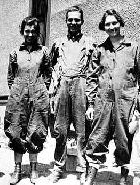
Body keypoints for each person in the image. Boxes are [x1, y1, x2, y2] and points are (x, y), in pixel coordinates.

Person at [84, 9, 140, 185]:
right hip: (103, 102)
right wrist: (91, 104)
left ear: (120, 24)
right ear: (103, 27)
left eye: (114, 23)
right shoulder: (99, 50)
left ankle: (123, 178)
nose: (111, 26)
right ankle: (90, 177)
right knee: (97, 138)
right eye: (108, 24)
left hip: (127, 102)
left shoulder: (133, 48)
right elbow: (91, 78)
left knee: (125, 140)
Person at [48, 5, 97, 184]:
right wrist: (52, 92)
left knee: (82, 132)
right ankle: (58, 168)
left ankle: (83, 168)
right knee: (60, 131)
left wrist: (91, 100)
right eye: (70, 19)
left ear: (82, 21)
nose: (73, 22)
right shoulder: (58, 43)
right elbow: (51, 67)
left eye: (77, 19)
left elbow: (95, 72)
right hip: (62, 86)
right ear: (66, 21)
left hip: (81, 85)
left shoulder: (90, 43)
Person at [4, 16, 51, 185]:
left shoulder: (44, 51)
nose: (30, 34)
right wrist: (19, 91)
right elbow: (10, 77)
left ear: (38, 32)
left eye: (33, 31)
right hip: (18, 97)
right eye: (27, 31)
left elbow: (48, 74)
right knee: (16, 131)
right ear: (22, 32)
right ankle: (17, 169)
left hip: (38, 96)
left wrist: (40, 90)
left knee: (36, 131)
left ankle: (33, 169)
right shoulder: (15, 52)